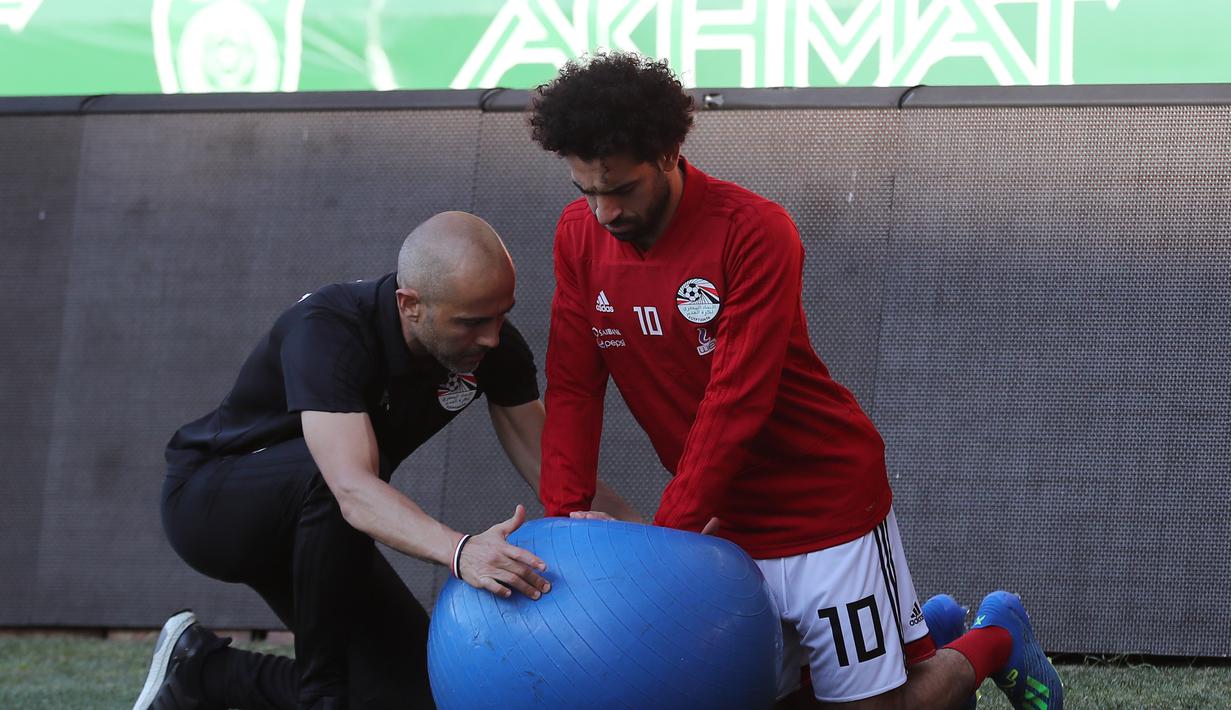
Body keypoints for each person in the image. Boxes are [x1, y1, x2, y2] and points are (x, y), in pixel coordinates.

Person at [531, 52, 1064, 710]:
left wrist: (665, 548)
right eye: (587, 191)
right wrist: (560, 525)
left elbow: (735, 400)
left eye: (621, 189)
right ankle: (937, 629)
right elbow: (574, 387)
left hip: (821, 508)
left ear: (670, 152)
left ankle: (995, 636)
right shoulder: (577, 237)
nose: (604, 211)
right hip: (723, 521)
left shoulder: (754, 231)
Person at [133, 211, 637, 710]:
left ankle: (201, 671)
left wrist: (657, 537)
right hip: (213, 504)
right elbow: (348, 486)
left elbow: (557, 471)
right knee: (329, 477)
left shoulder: (492, 349)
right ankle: (320, 697)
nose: (491, 336)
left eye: (501, 315)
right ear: (410, 304)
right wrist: (463, 552)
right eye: (472, 322)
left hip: (324, 530)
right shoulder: (330, 329)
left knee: (420, 694)